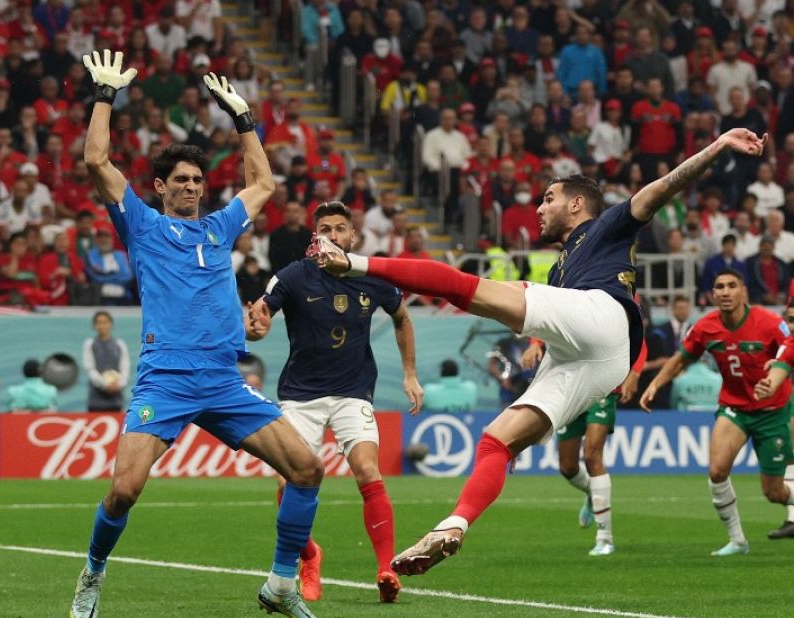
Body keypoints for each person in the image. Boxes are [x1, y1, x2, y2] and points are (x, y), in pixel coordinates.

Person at [308, 127, 768, 576]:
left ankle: (356, 264)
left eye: (548, 199)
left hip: (604, 320)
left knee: (465, 285)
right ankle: (455, 523)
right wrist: (537, 344)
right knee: (496, 440)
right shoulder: (561, 269)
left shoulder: (607, 223)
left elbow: (663, 187)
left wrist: (718, 146)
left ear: (577, 203)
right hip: (595, 360)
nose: (539, 209)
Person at [70, 50, 330, 618]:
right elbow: (95, 158)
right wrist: (105, 96)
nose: (191, 187)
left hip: (223, 379)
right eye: (180, 181)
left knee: (307, 468)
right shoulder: (140, 222)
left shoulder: (221, 226)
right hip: (165, 377)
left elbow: (262, 182)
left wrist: (244, 120)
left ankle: (282, 585)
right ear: (161, 187)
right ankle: (93, 570)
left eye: (197, 181)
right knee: (124, 490)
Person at [247, 200, 423, 603]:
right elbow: (261, 320)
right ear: (315, 237)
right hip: (300, 396)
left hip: (352, 392)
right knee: (287, 481)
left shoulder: (371, 274)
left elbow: (402, 317)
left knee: (367, 470)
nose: (333, 235)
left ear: (352, 235)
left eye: (340, 228)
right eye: (324, 229)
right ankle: (309, 555)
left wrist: (410, 374)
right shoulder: (293, 276)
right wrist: (255, 329)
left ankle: (385, 569)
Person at [640, 269, 794, 555]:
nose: (725, 292)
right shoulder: (705, 328)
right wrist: (656, 385)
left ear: (743, 291)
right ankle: (737, 540)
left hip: (772, 411)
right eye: (719, 287)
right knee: (717, 471)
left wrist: (774, 381)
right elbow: (680, 359)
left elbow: (788, 354)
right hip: (734, 407)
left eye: (731, 286)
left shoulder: (771, 324)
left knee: (774, 493)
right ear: (712, 294)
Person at [521, 321, 647, 556]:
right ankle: (592, 492)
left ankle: (605, 538)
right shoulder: (564, 289)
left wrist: (635, 373)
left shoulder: (611, 290)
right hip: (569, 386)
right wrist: (535, 343)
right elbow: (548, 321)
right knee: (567, 466)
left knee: (592, 455)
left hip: (602, 384)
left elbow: (639, 338)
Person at [753, 302, 794, 539]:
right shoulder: (788, 345)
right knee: (790, 452)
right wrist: (769, 382)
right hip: (787, 399)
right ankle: (792, 518)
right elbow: (780, 368)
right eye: (790, 320)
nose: (793, 326)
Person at [83, 310, 130, 412]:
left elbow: (125, 367)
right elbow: (90, 369)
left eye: (105, 322)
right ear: (95, 325)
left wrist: (120, 384)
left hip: (116, 399)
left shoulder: (120, 344)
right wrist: (105, 384)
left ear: (111, 324)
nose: (103, 325)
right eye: (99, 322)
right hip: (96, 400)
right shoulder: (89, 344)